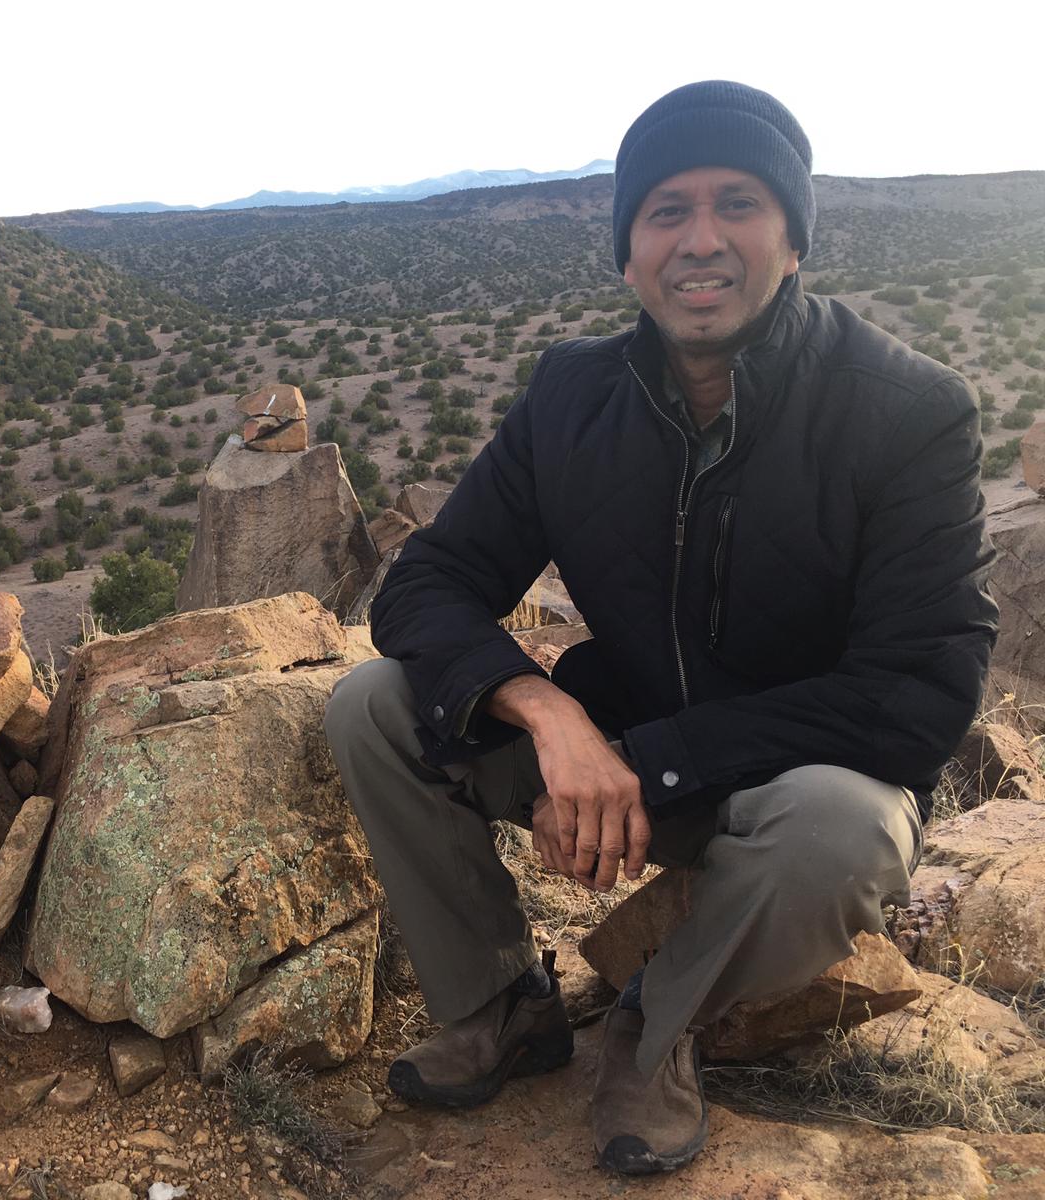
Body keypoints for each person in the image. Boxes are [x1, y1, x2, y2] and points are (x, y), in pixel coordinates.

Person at [323, 79, 997, 1175]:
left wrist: (650, 763)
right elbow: (426, 582)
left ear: (791, 239)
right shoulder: (571, 396)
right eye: (666, 210)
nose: (701, 240)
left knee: (844, 832)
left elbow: (917, 694)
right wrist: (547, 714)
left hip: (791, 777)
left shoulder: (906, 411)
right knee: (373, 708)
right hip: (615, 747)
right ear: (628, 250)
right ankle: (501, 1001)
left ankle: (655, 1027)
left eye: (738, 204)